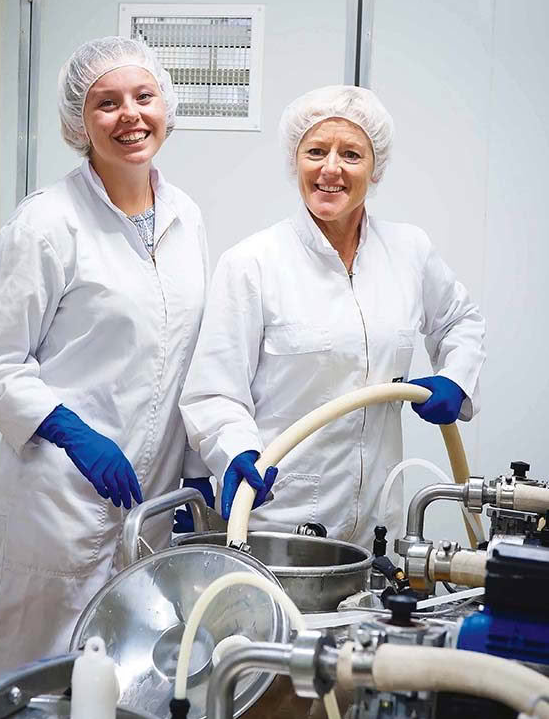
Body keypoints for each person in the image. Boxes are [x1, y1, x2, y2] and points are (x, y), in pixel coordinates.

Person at [0, 36, 210, 691]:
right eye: (107, 103)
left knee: (119, 693)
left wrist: (197, 471)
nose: (129, 114)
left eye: (143, 96)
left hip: (146, 504)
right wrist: (74, 433)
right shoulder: (46, 223)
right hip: (57, 503)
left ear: (166, 107)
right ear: (80, 122)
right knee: (20, 688)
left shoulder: (188, 219)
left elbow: (183, 356)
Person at [179, 85, 485, 547]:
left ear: (375, 167)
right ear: (294, 161)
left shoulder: (409, 251)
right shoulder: (252, 263)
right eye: (316, 151)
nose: (331, 169)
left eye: (351, 154)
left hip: (378, 523)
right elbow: (214, 391)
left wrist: (456, 378)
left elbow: (461, 320)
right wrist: (236, 450)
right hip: (279, 517)